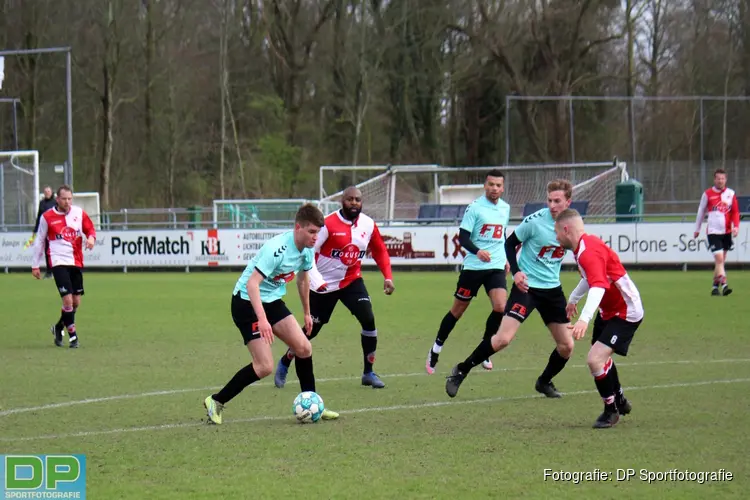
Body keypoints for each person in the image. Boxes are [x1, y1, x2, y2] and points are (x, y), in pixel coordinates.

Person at [203, 204, 339, 425]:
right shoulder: (276, 249)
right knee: (264, 366)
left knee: (304, 348)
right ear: (298, 228)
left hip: (272, 301)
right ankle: (216, 401)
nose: (316, 237)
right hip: (246, 303)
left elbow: (304, 280)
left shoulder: (307, 251)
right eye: (312, 232)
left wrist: (307, 312)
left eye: (318, 232)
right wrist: (263, 320)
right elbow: (252, 285)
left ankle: (313, 403)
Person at [444, 180, 575, 399]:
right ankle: (461, 370)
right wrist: (516, 272)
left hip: (553, 291)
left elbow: (578, 247)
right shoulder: (534, 222)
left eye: (557, 201)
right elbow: (509, 243)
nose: (552, 205)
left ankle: (544, 382)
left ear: (568, 202)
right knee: (503, 339)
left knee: (566, 346)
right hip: (527, 289)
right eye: (550, 200)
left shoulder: (572, 224)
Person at [274, 187, 395, 389]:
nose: (354, 203)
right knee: (311, 331)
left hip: (351, 281)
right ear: (342, 201)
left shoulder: (368, 224)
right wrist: (316, 280)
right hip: (324, 284)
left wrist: (388, 277)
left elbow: (380, 251)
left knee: (368, 318)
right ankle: (286, 360)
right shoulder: (327, 224)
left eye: (358, 199)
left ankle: (368, 372)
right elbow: (309, 255)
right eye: (350, 199)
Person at [555, 208, 644, 429]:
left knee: (595, 359)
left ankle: (611, 410)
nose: (556, 237)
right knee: (601, 357)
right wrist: (574, 298)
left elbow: (598, 286)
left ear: (566, 229)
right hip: (609, 310)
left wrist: (585, 318)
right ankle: (620, 399)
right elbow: (591, 278)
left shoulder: (587, 251)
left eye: (557, 232)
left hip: (626, 311)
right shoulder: (584, 247)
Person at [426, 169, 510, 374]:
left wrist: (506, 258)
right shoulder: (474, 208)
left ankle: (485, 349)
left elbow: (503, 234)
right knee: (457, 311)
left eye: (498, 185)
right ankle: (436, 348)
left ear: (503, 187)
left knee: (500, 307)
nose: (495, 188)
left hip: (496, 266)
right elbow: (463, 238)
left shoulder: (505, 208)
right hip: (474, 267)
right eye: (491, 184)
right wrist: (477, 251)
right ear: (485, 185)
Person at [30, 185, 96, 348]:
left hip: (76, 261)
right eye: (64, 199)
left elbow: (90, 229)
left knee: (76, 302)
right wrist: (35, 264)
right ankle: (73, 337)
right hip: (57, 261)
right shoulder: (47, 217)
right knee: (67, 300)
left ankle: (59, 327)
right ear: (57, 199)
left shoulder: (79, 213)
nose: (67, 202)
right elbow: (39, 240)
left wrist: (91, 239)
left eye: (69, 199)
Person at [693, 168, 740, 296]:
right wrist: (697, 229)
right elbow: (701, 211)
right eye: (718, 178)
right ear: (714, 179)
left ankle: (714, 287)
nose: (720, 181)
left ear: (726, 179)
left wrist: (736, 226)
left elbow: (735, 212)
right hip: (713, 232)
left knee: (721, 262)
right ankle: (724, 285)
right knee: (719, 259)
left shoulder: (731, 193)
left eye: (722, 178)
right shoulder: (707, 194)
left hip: (727, 232)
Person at [31, 186, 57, 279]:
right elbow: (39, 217)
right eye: (45, 191)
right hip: (44, 230)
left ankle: (57, 270)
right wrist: (35, 230)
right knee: (47, 251)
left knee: (55, 251)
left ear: (51, 192)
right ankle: (49, 271)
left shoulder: (55, 202)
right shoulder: (42, 203)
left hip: (54, 230)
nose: (47, 193)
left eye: (48, 191)